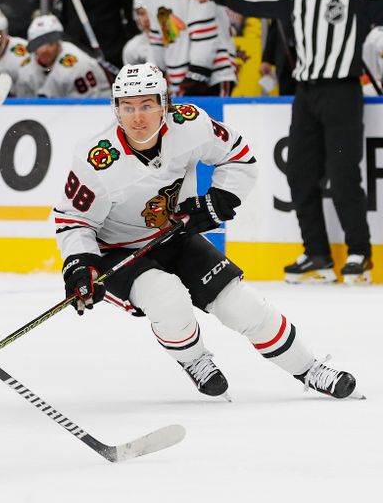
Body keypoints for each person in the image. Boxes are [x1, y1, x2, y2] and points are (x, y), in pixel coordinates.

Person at [55, 62, 359, 401]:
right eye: (127, 107)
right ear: (116, 110)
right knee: (167, 298)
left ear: (165, 105)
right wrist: (80, 264)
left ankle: (310, 368)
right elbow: (73, 221)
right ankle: (195, 360)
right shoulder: (96, 159)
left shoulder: (191, 124)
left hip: (173, 235)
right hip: (118, 250)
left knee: (240, 304)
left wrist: (218, 200)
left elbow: (239, 156)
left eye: (147, 105)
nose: (137, 117)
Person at [182, 0, 383, 284]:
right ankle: (317, 254)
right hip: (305, 94)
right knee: (300, 173)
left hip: (343, 93)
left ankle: (359, 252)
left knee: (344, 173)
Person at [142, 0, 236, 96]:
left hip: (213, 74)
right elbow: (158, 38)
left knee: (213, 116)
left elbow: (204, 31)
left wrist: (197, 73)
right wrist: (153, 73)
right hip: (179, 81)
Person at [15, 14, 109, 98]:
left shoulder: (77, 64)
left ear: (58, 42)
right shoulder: (25, 69)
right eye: (38, 44)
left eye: (50, 43)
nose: (44, 50)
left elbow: (84, 107)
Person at [59, 0, 139, 69]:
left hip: (111, 50)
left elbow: (131, 12)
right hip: (76, 50)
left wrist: (124, 46)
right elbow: (66, 12)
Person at [122, 0, 151, 65]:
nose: (146, 19)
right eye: (141, 13)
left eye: (150, 12)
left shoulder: (179, 41)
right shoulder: (132, 48)